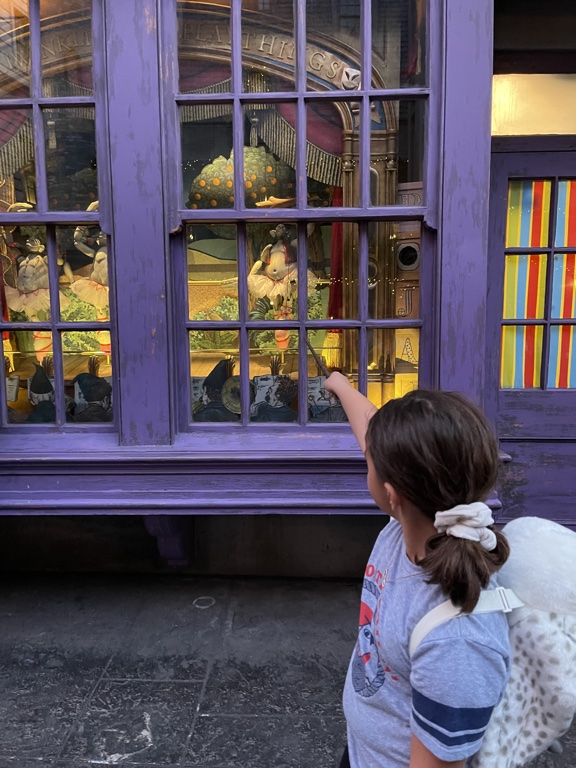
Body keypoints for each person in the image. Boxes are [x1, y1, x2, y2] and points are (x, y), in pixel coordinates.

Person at [322, 372, 511, 768]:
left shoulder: (457, 640)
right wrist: (339, 383)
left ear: (391, 493)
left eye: (369, 461)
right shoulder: (412, 522)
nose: (365, 457)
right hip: (362, 749)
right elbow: (371, 426)